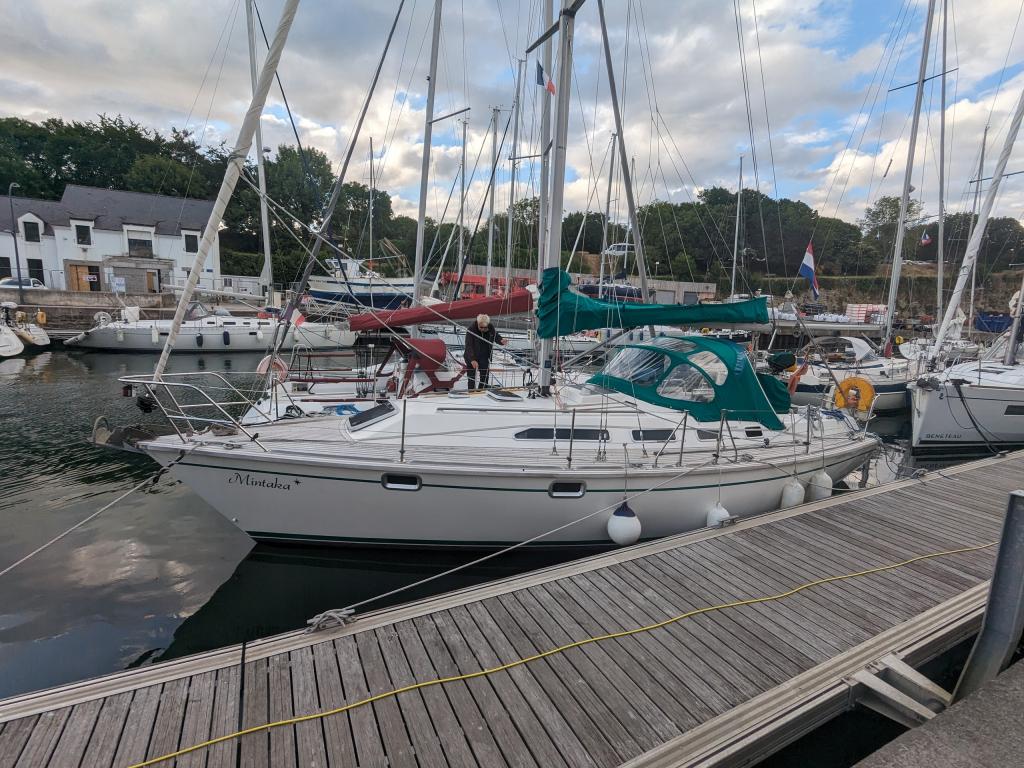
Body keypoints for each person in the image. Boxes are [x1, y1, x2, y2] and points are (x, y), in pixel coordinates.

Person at [464, 313, 505, 389]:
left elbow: (496, 336)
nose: (483, 329)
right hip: (471, 356)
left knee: (485, 377)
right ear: (478, 324)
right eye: (481, 327)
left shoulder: (490, 327)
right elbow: (468, 346)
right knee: (472, 379)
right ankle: (471, 393)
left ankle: (481, 392)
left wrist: (501, 340)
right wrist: (472, 359)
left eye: (485, 327)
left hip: (484, 356)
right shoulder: (471, 329)